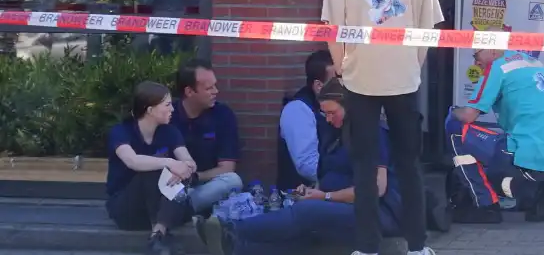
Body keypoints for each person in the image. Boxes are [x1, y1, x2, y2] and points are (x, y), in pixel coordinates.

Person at [322, 0, 445, 255]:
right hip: (403, 76)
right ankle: (418, 246)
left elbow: (332, 26)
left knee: (364, 165)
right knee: (408, 163)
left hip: (360, 75)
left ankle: (367, 248)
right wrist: (414, 63)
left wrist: (342, 68)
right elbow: (428, 26)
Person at [198, 79, 448, 255]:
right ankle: (236, 247)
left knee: (307, 213)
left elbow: (375, 189)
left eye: (332, 112)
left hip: (378, 215)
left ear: (349, 107)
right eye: (324, 114)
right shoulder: (337, 134)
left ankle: (231, 229)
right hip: (341, 205)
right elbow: (329, 173)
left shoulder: (374, 135)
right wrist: (313, 189)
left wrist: (324, 196)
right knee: (304, 231)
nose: (328, 119)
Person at [446, 49, 544, 224]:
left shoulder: (498, 67)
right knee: (505, 144)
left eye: (476, 56)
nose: (476, 63)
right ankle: (542, 191)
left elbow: (468, 115)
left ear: (492, 49)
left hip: (528, 154)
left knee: (456, 126)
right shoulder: (535, 64)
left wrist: (452, 111)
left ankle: (485, 207)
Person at [105, 81, 197, 255]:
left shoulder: (170, 132)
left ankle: (158, 235)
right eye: (167, 105)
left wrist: (184, 168)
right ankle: (161, 234)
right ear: (150, 110)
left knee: (173, 176)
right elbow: (133, 161)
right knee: (153, 171)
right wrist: (170, 163)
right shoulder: (121, 131)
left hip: (162, 209)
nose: (173, 110)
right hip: (128, 210)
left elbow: (189, 162)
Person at [171, 58, 243, 215]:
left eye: (215, 85)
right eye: (209, 88)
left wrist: (195, 177)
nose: (216, 91)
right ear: (189, 92)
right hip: (173, 184)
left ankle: (181, 208)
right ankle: (181, 208)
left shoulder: (223, 115)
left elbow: (227, 168)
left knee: (233, 181)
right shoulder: (169, 115)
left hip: (206, 185)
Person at [277, 49, 336, 191]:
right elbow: (307, 165)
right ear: (318, 86)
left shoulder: (340, 107)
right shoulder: (297, 110)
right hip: (302, 197)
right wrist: (344, 178)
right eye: (337, 80)